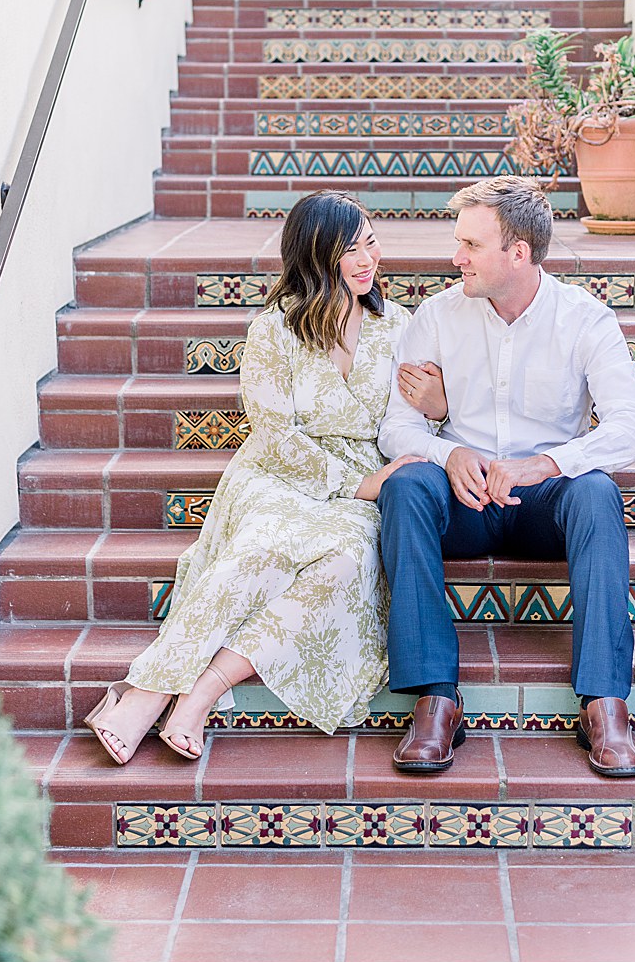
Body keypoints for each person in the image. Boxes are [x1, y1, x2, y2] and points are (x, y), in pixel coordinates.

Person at [85, 190, 445, 763]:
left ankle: (201, 694)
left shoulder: (398, 326)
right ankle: (145, 694)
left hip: (366, 478)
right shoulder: (274, 330)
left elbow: (421, 413)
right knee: (261, 549)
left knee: (349, 562)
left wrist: (438, 406)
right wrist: (351, 485)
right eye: (347, 250)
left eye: (370, 243)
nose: (366, 260)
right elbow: (274, 432)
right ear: (313, 256)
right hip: (280, 473)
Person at [377, 176, 635, 778]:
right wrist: (446, 454)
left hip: (544, 502)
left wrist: (549, 463)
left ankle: (606, 703)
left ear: (519, 253)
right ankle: (435, 699)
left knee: (598, 492)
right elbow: (395, 427)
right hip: (463, 498)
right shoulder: (436, 316)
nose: (457, 259)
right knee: (404, 485)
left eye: (472, 246)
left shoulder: (584, 320)